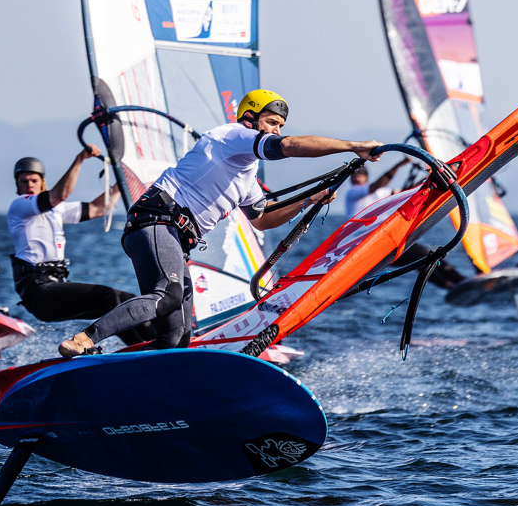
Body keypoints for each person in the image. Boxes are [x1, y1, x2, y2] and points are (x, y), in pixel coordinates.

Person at [59, 89, 384, 357]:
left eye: (281, 125)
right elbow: (287, 146)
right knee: (168, 295)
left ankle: (103, 370)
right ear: (249, 118)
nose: (277, 130)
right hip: (156, 221)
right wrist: (353, 146)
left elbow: (262, 220)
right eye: (271, 122)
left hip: (173, 236)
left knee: (176, 337)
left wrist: (307, 200)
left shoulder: (247, 176)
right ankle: (85, 339)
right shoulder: (232, 136)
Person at [8, 147, 156, 346]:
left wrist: (123, 181)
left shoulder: (56, 211)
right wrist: (80, 159)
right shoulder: (19, 207)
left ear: (42, 183)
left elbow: (98, 208)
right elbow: (59, 195)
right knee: (109, 298)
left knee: (130, 301)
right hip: (39, 294)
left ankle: (161, 341)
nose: (29, 185)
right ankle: (142, 350)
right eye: (23, 182)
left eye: (33, 181)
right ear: (17, 187)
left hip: (57, 285)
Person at [345, 161, 467, 290]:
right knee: (421, 257)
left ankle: (460, 282)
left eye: (361, 173)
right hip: (374, 248)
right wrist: (399, 164)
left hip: (389, 242)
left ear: (367, 177)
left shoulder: (379, 193)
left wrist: (427, 180)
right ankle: (453, 285)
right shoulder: (353, 192)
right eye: (355, 175)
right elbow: (378, 184)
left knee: (426, 256)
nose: (357, 176)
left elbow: (406, 192)